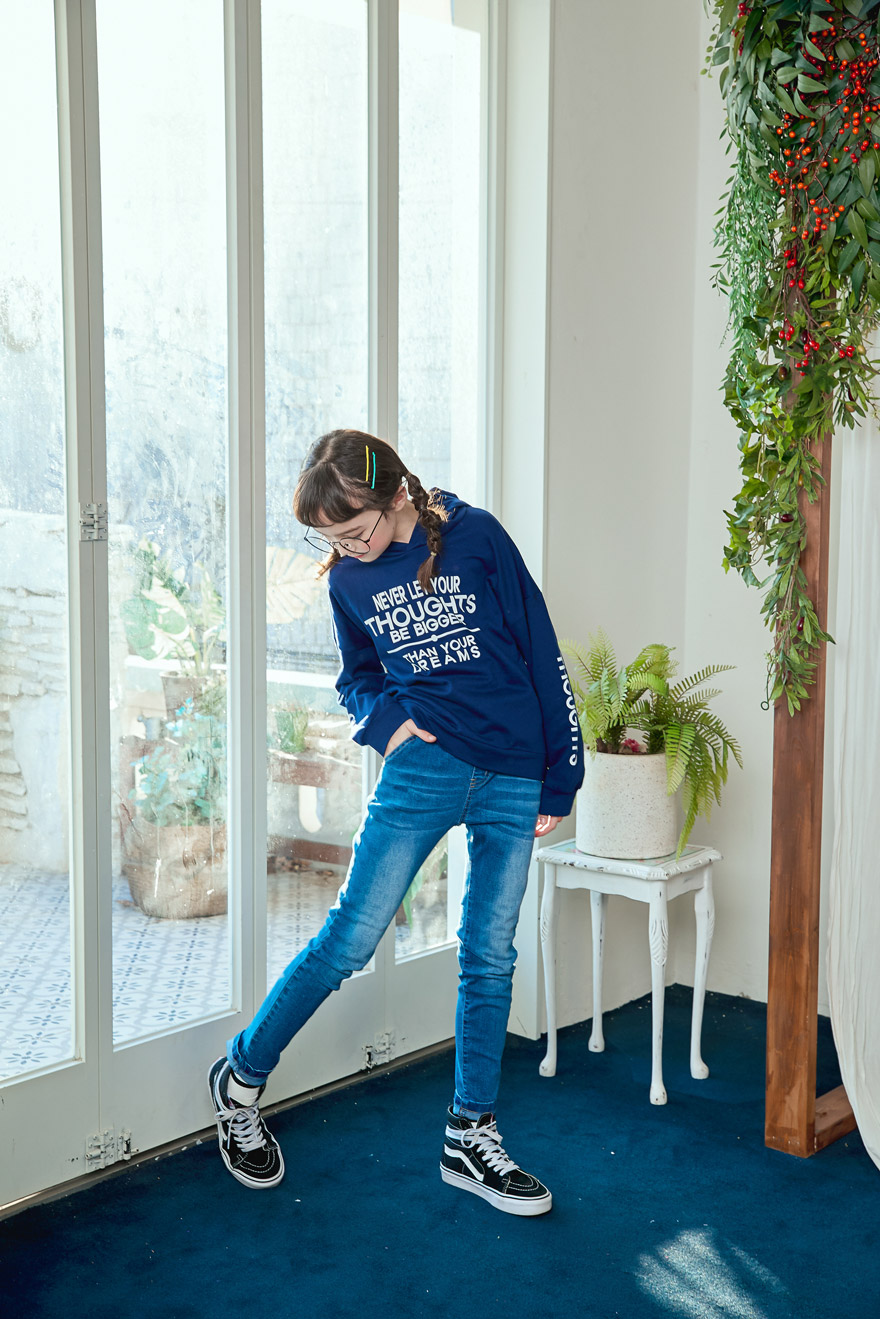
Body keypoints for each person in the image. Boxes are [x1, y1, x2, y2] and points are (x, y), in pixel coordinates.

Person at [208, 428, 584, 1217]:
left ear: (398, 495)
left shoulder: (477, 538)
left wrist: (563, 770)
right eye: (330, 540)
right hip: (424, 769)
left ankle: (469, 1134)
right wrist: (389, 727)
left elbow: (541, 646)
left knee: (490, 954)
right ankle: (239, 1078)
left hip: (514, 771)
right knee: (349, 938)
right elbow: (357, 678)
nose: (345, 550)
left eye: (355, 531)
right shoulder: (350, 581)